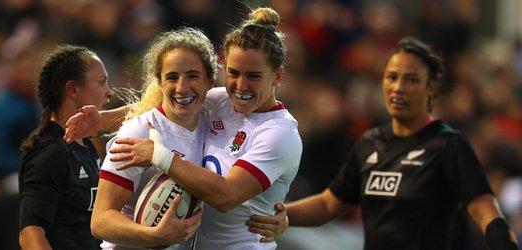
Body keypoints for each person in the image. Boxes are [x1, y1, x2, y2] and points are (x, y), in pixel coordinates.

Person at [247, 37, 519, 250]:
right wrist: (277, 214)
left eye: (411, 79)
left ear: (431, 88)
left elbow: (486, 214)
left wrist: (503, 241)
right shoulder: (370, 143)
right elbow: (329, 205)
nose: (398, 87)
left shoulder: (448, 145)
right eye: (392, 77)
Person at [109, 7, 302, 249]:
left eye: (253, 76)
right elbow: (168, 102)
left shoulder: (280, 134)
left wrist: (159, 155)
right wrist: (103, 120)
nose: (241, 86)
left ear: (276, 76)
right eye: (233, 73)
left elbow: (226, 196)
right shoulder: (221, 100)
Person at [89, 27, 215, 249]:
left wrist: (279, 215)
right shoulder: (138, 132)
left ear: (210, 81)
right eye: (172, 77)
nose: (181, 87)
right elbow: (100, 220)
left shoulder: (214, 122)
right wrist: (152, 236)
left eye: (192, 76)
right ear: (160, 81)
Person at [18, 45, 126, 250]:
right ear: (73, 89)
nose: (108, 93)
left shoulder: (85, 145)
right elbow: (30, 233)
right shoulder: (50, 153)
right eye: (101, 82)